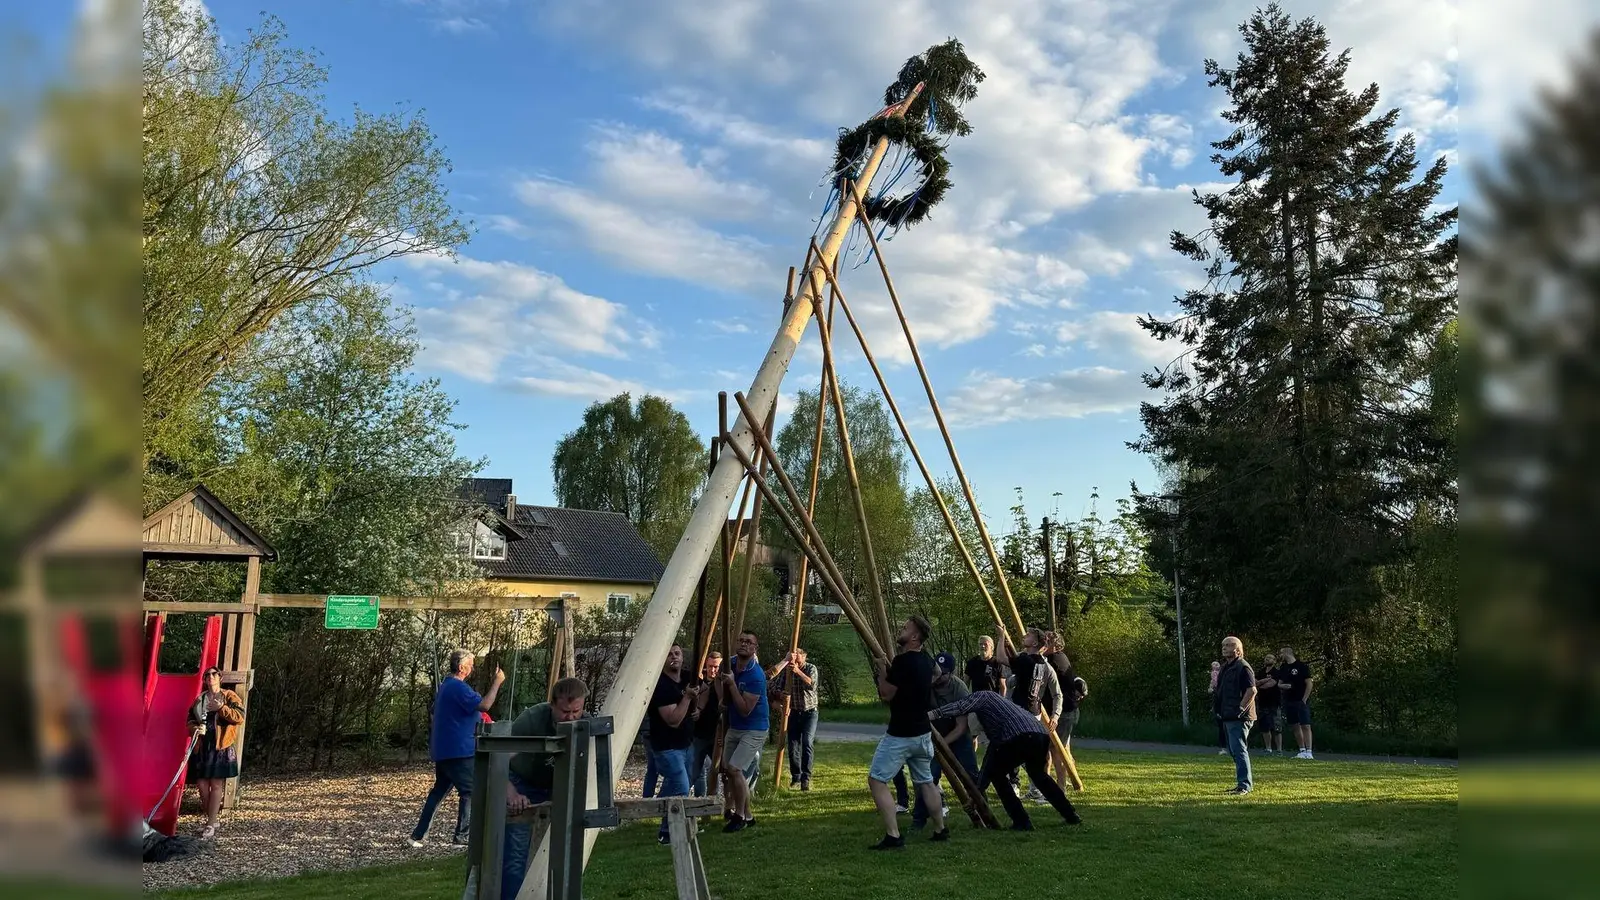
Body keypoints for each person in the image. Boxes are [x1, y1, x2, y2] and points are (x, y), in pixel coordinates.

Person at [927, 689, 1082, 830]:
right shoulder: (1002, 709)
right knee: (1040, 777)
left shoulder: (983, 696)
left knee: (998, 776)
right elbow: (991, 755)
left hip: (1019, 735)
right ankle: (1071, 815)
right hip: (1039, 734)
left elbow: (960, 707)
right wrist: (977, 794)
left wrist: (931, 715)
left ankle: (1022, 821)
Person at [501, 677, 588, 900]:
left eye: (576, 711)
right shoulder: (531, 720)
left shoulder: (585, 724)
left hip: (556, 786)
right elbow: (498, 759)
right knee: (516, 857)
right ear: (552, 706)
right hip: (522, 782)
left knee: (560, 854)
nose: (570, 717)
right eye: (564, 711)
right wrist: (511, 793)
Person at [867, 616, 947, 849]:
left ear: (914, 637)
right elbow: (937, 673)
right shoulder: (927, 661)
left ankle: (893, 835)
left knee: (877, 780)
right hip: (922, 733)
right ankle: (941, 829)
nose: (900, 630)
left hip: (900, 735)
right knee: (926, 782)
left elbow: (886, 694)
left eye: (905, 628)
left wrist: (882, 669)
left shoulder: (902, 662)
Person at [410, 649, 504, 848]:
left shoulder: (446, 686)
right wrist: (498, 681)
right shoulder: (459, 688)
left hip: (444, 749)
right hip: (459, 751)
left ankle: (418, 835)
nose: (472, 669)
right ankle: (462, 838)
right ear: (462, 667)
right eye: (470, 665)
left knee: (438, 792)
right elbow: (485, 705)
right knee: (470, 791)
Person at [910, 651, 978, 831]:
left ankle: (980, 813)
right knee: (927, 778)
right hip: (933, 737)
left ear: (952, 673)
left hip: (957, 737)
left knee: (970, 775)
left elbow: (961, 726)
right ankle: (919, 820)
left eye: (944, 673)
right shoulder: (926, 684)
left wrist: (941, 744)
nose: (939, 676)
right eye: (937, 672)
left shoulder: (959, 688)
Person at [647, 644, 700, 844]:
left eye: (677, 653)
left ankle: (664, 828)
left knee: (674, 786)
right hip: (667, 747)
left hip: (686, 743)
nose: (674, 657)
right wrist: (687, 698)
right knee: (681, 787)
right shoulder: (661, 686)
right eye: (669, 654)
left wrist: (699, 709)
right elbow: (673, 720)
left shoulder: (687, 677)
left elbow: (703, 688)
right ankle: (671, 832)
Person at [717, 631, 768, 832]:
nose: (744, 644)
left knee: (735, 769)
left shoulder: (756, 675)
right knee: (727, 771)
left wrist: (731, 685)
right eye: (741, 640)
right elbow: (717, 681)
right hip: (735, 727)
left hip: (754, 728)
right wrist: (723, 698)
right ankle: (747, 815)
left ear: (755, 648)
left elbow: (745, 710)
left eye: (749, 642)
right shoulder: (728, 664)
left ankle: (739, 816)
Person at [185, 666, 244, 840]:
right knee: (202, 786)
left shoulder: (229, 696)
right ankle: (212, 818)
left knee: (216, 785)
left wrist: (221, 708)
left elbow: (239, 717)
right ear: (204, 679)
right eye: (207, 675)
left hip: (221, 747)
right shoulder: (201, 699)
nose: (210, 677)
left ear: (220, 677)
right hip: (203, 747)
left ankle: (210, 823)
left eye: (213, 674)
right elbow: (189, 719)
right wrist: (195, 728)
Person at [769, 648, 820, 791]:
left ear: (804, 657)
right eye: (794, 657)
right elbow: (773, 686)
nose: (795, 661)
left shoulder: (811, 668)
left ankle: (806, 778)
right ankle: (796, 777)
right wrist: (781, 695)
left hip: (810, 712)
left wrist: (798, 671)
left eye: (798, 657)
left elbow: (812, 685)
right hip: (793, 712)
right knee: (792, 745)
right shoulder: (787, 671)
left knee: (807, 742)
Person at [1213, 636, 1257, 795]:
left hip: (1239, 716)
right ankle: (1242, 784)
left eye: (1229, 645)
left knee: (1238, 749)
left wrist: (1240, 708)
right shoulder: (1225, 667)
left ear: (1238, 649)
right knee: (1233, 750)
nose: (1224, 648)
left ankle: (1245, 785)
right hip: (1227, 715)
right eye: (1223, 645)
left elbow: (1251, 690)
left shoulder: (1242, 667)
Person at [690, 652, 722, 798]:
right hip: (699, 734)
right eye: (710, 666)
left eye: (716, 667)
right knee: (694, 771)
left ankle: (712, 801)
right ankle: (696, 800)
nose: (713, 670)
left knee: (719, 770)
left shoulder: (723, 686)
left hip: (717, 735)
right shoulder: (698, 683)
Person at [1277, 647, 1315, 759]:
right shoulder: (1283, 668)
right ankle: (1302, 750)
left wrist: (1304, 699)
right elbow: (1279, 683)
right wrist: (1283, 686)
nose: (1280, 655)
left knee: (1305, 724)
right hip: (1289, 700)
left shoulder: (1302, 666)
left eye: (1281, 653)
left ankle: (1309, 751)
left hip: (1301, 700)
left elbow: (1309, 683)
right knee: (1294, 725)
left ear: (1286, 653)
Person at [1255, 653, 1284, 754]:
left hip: (1274, 702)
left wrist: (1261, 683)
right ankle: (1268, 748)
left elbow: (1271, 684)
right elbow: (1255, 683)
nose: (1267, 659)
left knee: (1276, 726)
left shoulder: (1277, 672)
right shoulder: (1261, 671)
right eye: (1266, 658)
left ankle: (1279, 750)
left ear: (1274, 660)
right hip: (1262, 702)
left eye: (1270, 658)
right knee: (1264, 726)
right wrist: (1265, 680)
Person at [1209, 659, 1226, 753]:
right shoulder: (1213, 675)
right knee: (1221, 727)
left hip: (1226, 705)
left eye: (1217, 664)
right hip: (1219, 704)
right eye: (1213, 664)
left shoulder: (1223, 675)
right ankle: (1223, 747)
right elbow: (1212, 685)